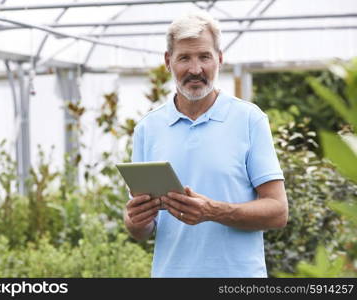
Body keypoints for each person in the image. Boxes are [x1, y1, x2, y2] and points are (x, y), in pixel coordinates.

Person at [123, 11, 288, 278]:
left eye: (204, 57)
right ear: (168, 61)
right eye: (184, 58)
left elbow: (278, 211)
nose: (195, 69)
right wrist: (135, 221)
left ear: (219, 59)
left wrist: (214, 211)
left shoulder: (249, 119)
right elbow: (142, 229)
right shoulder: (147, 129)